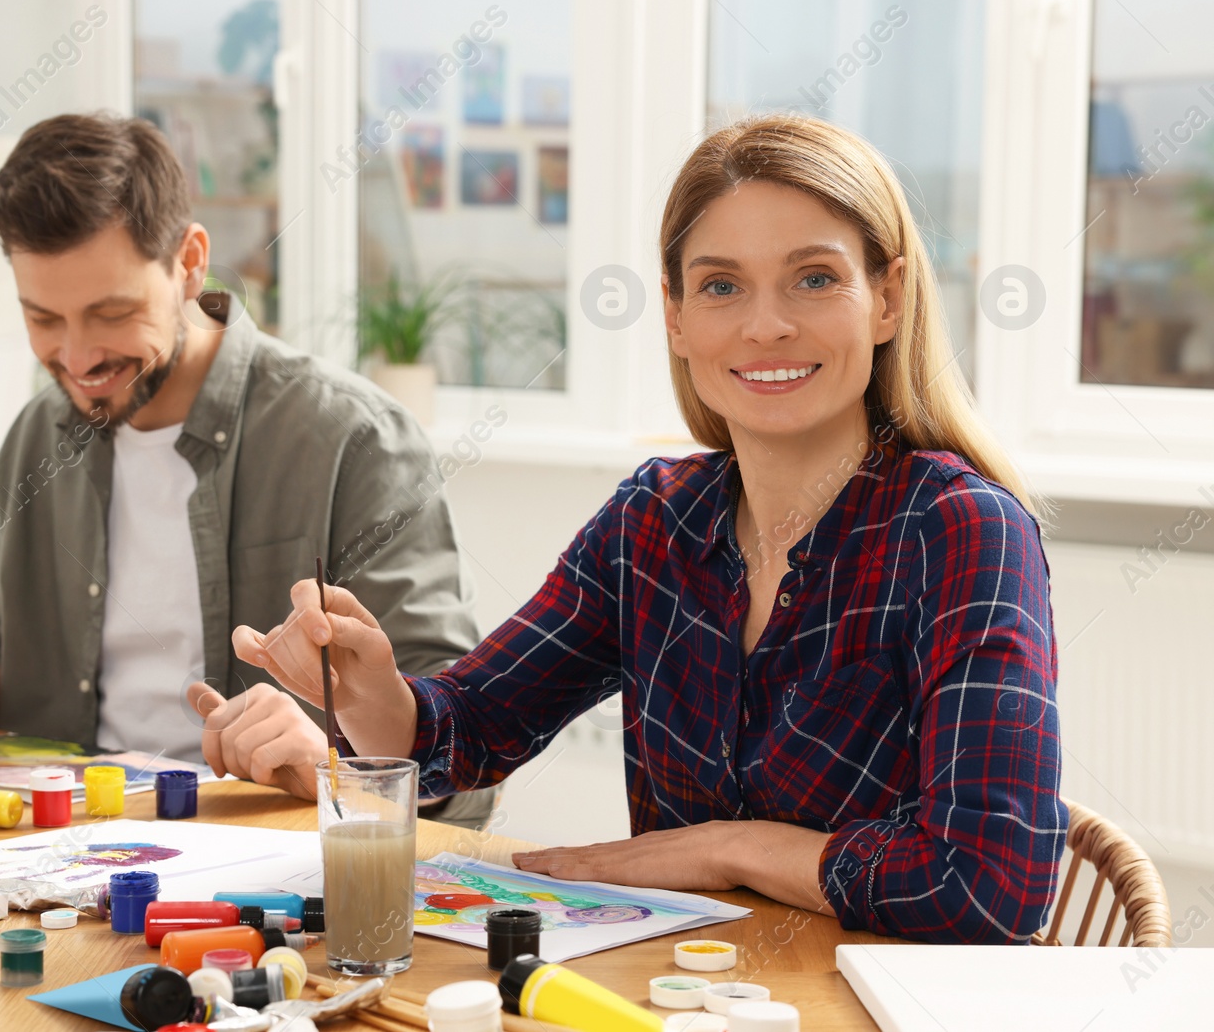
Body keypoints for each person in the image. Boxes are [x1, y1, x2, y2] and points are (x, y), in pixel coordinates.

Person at [233, 114, 1067, 943]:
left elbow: (991, 885)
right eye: (720, 285)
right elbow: (466, 733)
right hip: (681, 993)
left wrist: (724, 849)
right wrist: (376, 687)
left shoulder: (965, 529)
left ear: (887, 298)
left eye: (814, 279)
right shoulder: (654, 521)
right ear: (674, 315)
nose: (766, 325)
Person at [0, 113, 495, 825]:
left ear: (190, 261)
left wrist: (330, 762)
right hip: (65, 857)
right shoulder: (38, 441)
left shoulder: (355, 439)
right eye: (43, 318)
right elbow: (15, 703)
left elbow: (468, 760)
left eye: (111, 312)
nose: (76, 358)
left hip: (268, 877)